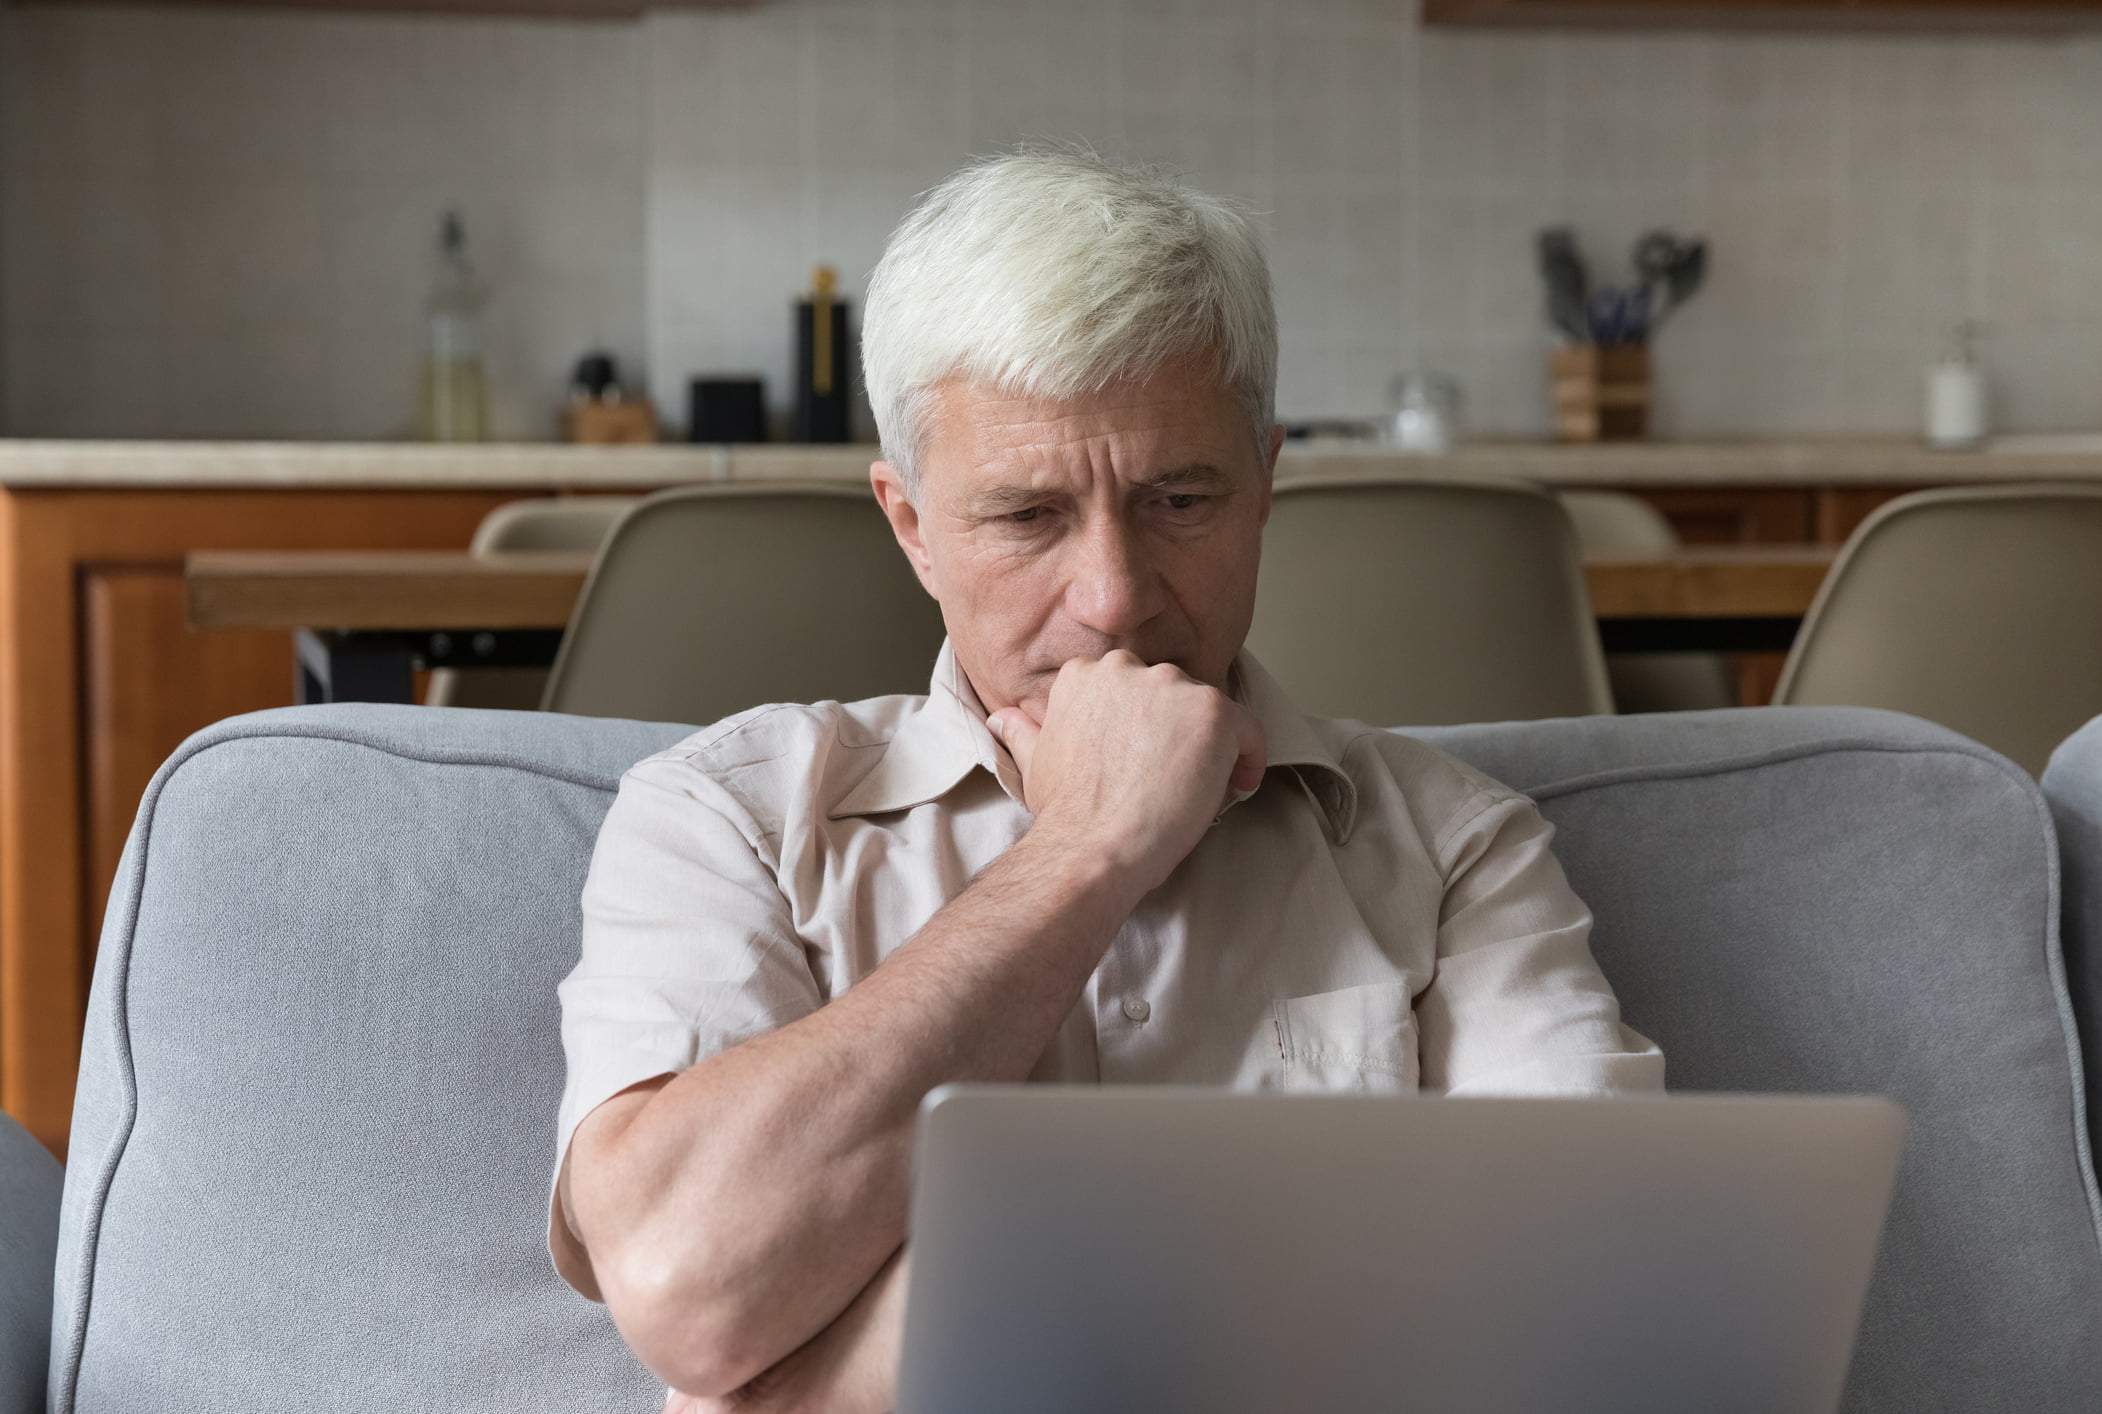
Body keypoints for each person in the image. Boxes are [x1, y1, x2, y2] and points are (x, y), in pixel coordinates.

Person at [550, 150, 1664, 1413]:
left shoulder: (1455, 849)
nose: (1116, 597)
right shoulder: (728, 817)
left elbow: (1606, 1325)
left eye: (1180, 498)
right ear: (912, 527)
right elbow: (692, 1294)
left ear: (1266, 487)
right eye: (1025, 516)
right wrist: (1084, 845)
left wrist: (860, 1332)